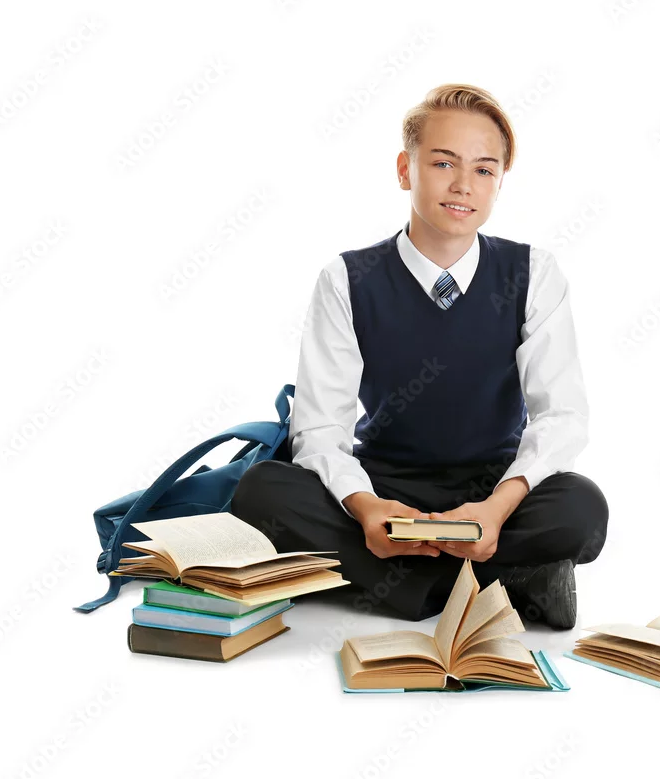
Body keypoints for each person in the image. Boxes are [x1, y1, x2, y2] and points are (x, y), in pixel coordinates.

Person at [231, 83, 608, 629]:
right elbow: (320, 428)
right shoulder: (347, 279)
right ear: (405, 170)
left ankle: (398, 584)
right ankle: (506, 580)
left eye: (484, 169)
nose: (463, 185)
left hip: (493, 489)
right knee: (261, 491)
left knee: (582, 507)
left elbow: (563, 417)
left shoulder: (533, 274)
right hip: (387, 485)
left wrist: (497, 508)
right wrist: (366, 508)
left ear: (500, 183)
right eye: (443, 163)